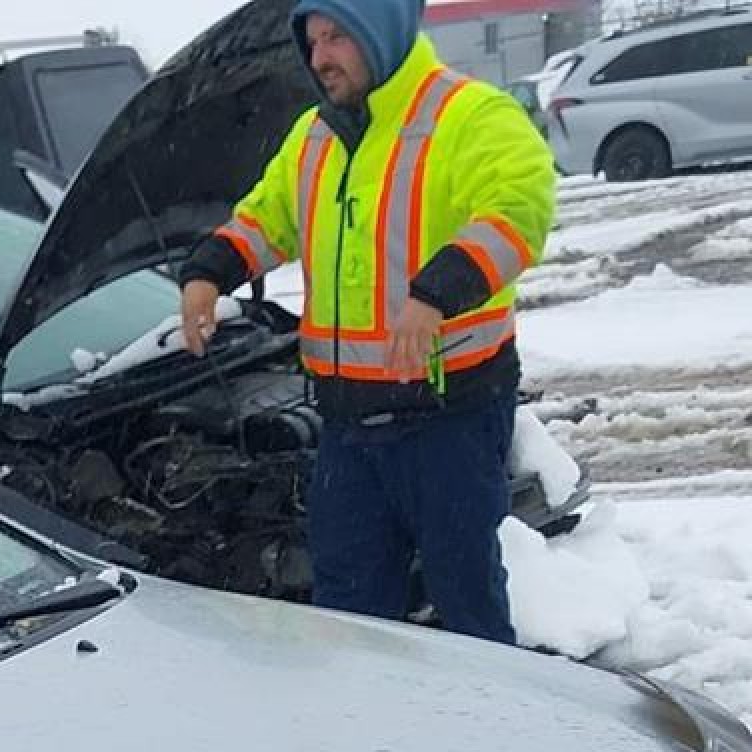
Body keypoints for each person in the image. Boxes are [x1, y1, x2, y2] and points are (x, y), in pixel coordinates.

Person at [174, 0, 555, 644]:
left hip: (448, 418)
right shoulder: (315, 135)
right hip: (348, 425)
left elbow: (519, 210)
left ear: (380, 35)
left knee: (463, 600)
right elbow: (269, 219)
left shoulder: (470, 114)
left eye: (338, 38)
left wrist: (436, 293)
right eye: (314, 42)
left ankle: (486, 730)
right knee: (349, 608)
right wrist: (208, 271)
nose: (321, 58)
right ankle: (367, 735)